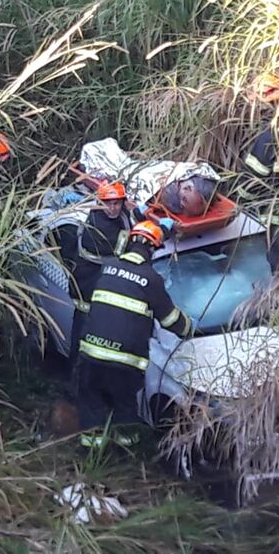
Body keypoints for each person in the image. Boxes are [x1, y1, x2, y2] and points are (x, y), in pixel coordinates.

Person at [75, 218, 190, 444]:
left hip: (91, 355)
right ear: (152, 250)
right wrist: (190, 327)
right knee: (124, 410)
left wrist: (163, 230)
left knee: (91, 406)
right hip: (124, 362)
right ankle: (126, 455)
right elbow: (170, 320)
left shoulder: (107, 270)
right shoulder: (152, 280)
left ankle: (90, 457)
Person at [235, 73, 279, 271]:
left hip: (278, 215)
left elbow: (251, 180)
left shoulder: (268, 138)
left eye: (258, 103)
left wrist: (237, 202)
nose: (255, 108)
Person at [64, 181, 134, 377]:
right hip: (88, 294)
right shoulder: (97, 227)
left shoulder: (118, 216)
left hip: (102, 289)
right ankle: (75, 385)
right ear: (99, 203)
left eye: (116, 203)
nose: (112, 208)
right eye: (107, 203)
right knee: (82, 344)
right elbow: (125, 251)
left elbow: (126, 220)